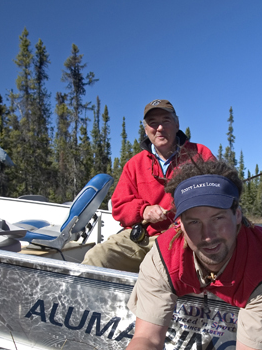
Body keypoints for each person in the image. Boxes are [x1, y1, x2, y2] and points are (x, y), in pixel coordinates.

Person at [86, 158, 262, 350]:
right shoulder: (163, 257)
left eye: (218, 217)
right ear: (180, 225)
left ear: (237, 215)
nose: (208, 235)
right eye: (194, 222)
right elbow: (147, 341)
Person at [82, 99, 215, 271]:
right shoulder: (134, 164)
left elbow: (220, 193)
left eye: (165, 121)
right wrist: (143, 210)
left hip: (185, 238)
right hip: (142, 238)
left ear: (177, 124)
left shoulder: (200, 154)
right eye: (153, 123)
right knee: (97, 257)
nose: (159, 128)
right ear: (146, 129)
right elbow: (119, 205)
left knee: (166, 270)